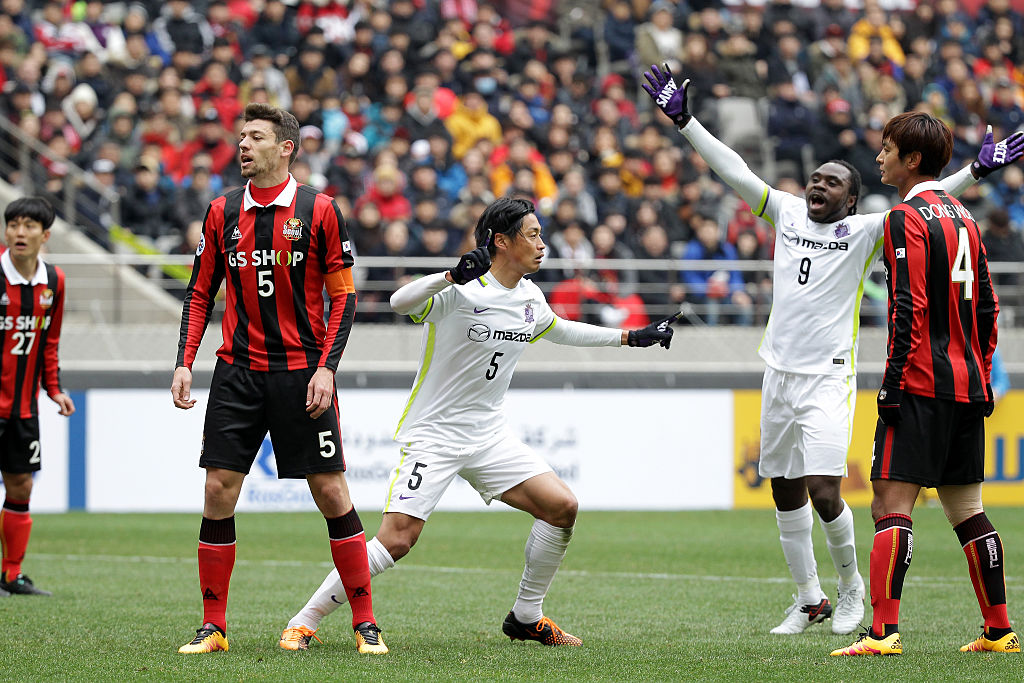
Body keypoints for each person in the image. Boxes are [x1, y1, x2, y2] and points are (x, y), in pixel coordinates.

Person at [642, 64, 1024, 637]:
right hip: (777, 373)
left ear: (852, 201)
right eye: (815, 179)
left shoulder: (867, 231)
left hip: (828, 377)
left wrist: (975, 170)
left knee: (824, 489)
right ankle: (808, 598)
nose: (817, 187)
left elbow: (927, 201)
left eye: (832, 183)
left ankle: (851, 590)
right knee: (783, 488)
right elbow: (733, 169)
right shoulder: (786, 212)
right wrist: (685, 123)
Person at [277, 197, 676, 651]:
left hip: (489, 436)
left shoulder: (529, 296)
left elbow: (563, 329)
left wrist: (632, 337)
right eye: (533, 235)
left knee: (562, 507)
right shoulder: (462, 289)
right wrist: (449, 276)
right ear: (501, 242)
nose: (542, 244)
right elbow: (397, 302)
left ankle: (526, 617)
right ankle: (303, 621)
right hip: (435, 435)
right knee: (398, 539)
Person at [170, 103, 386, 655]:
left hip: (301, 375)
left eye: (256, 137)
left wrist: (327, 368)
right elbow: (199, 292)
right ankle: (213, 627)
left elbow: (344, 298)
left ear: (285, 148)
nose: (243, 145)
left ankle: (366, 623)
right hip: (237, 373)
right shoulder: (221, 212)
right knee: (217, 489)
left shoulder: (320, 210)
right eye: (241, 136)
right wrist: (184, 361)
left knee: (330, 491)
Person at [833, 112, 1020, 657]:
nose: (879, 157)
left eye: (887, 149)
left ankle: (881, 633)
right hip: (966, 385)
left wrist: (892, 384)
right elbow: (988, 307)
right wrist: (982, 373)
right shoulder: (966, 217)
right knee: (967, 509)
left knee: (890, 504)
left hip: (918, 383)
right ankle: (999, 630)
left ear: (912, 160)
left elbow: (907, 304)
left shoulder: (904, 217)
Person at [0, 196, 74, 598]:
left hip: (23, 407)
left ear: (44, 236)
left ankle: (11, 575)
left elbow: (50, 342)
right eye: (13, 225)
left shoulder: (54, 282)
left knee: (21, 486)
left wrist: (54, 389)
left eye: (29, 226)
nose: (19, 232)